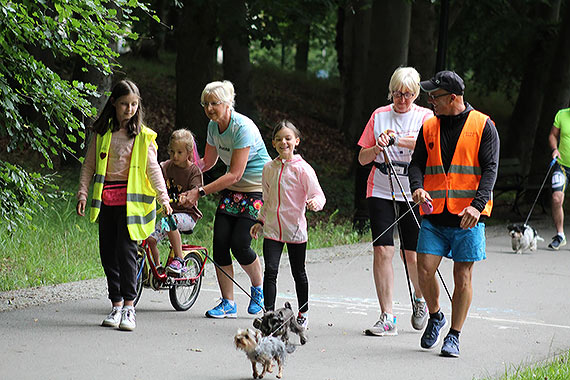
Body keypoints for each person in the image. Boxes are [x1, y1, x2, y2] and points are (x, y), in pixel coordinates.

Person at [409, 70, 499, 357]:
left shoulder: (483, 126)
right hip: (434, 213)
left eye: (434, 96)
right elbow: (416, 165)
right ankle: (436, 316)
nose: (430, 101)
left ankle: (454, 336)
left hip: (468, 217)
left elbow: (490, 170)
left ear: (453, 98)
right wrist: (417, 187)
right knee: (423, 269)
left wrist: (478, 204)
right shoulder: (429, 126)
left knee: (463, 276)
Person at [76, 79, 173, 331]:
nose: (129, 109)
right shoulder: (103, 133)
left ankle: (130, 308)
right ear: (113, 104)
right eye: (124, 104)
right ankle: (116, 304)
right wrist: (83, 193)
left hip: (133, 207)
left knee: (126, 252)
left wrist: (164, 198)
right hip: (106, 202)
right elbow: (89, 165)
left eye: (133, 104)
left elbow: (153, 170)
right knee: (108, 253)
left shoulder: (143, 137)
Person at [178, 80, 271, 318]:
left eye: (214, 103)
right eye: (205, 104)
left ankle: (258, 289)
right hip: (233, 190)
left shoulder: (243, 128)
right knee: (220, 243)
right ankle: (228, 303)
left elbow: (235, 173)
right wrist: (184, 173)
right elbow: (207, 163)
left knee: (240, 243)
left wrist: (199, 192)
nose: (209, 108)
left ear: (227, 104)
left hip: (257, 189)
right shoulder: (212, 126)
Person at [357, 67, 433, 336]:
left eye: (409, 94)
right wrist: (377, 147)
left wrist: (397, 139)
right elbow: (362, 158)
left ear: (416, 95)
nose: (402, 99)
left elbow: (429, 146)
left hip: (413, 189)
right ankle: (387, 315)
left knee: (411, 254)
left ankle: (420, 299)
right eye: (398, 94)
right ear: (391, 91)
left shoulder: (426, 116)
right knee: (383, 250)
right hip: (381, 187)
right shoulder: (379, 115)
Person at [250, 120, 326, 328]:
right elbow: (266, 200)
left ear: (296, 142)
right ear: (273, 143)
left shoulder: (303, 170)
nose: (284, 142)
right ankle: (269, 315)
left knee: (298, 272)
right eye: (279, 139)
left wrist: (315, 203)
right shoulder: (269, 168)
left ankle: (303, 312)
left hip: (295, 231)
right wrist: (260, 221)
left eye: (288, 138)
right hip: (272, 230)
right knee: (270, 271)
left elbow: (319, 195)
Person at [146, 129, 203, 276]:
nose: (174, 156)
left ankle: (179, 259)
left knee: (171, 221)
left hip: (188, 216)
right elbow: (153, 174)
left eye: (179, 152)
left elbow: (195, 192)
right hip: (169, 214)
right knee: (150, 239)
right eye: (172, 152)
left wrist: (186, 198)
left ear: (189, 152)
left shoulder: (193, 171)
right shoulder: (165, 166)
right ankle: (157, 270)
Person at [548, 107, 570, 250]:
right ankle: (560, 235)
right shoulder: (562, 114)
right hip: (562, 165)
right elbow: (552, 135)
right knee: (556, 198)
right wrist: (554, 149)